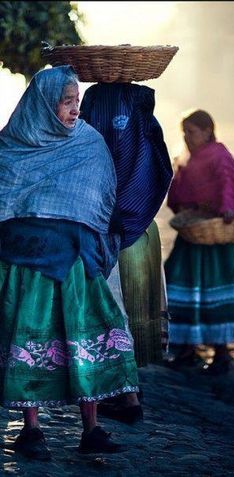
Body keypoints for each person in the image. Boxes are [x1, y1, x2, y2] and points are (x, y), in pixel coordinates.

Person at [0, 66, 140, 460]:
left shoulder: (89, 143)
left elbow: (100, 199)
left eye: (77, 101)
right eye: (66, 102)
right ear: (44, 104)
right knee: (29, 339)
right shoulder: (12, 145)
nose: (74, 109)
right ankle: (32, 430)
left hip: (78, 264)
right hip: (27, 265)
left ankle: (92, 427)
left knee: (83, 340)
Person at [80, 83, 173, 423]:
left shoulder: (89, 139)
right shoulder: (146, 128)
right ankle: (129, 392)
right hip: (143, 230)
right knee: (130, 312)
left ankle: (125, 394)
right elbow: (159, 175)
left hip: (106, 235)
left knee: (110, 313)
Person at [165, 109, 234, 375]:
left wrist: (226, 208)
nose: (187, 138)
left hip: (218, 237)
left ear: (207, 131)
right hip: (194, 233)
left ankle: (221, 353)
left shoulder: (220, 155)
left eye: (192, 132)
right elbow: (178, 190)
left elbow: (228, 184)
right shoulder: (188, 159)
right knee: (184, 289)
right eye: (184, 132)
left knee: (217, 290)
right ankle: (187, 349)